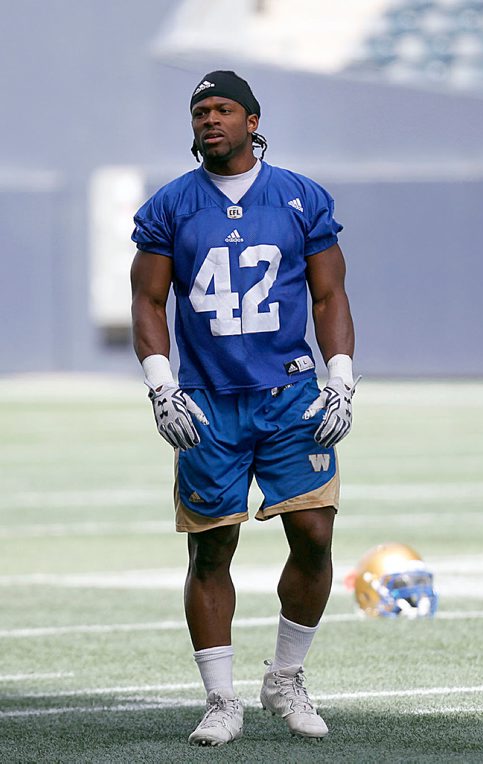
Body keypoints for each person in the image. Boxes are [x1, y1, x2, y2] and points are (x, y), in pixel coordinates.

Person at [130, 70, 358, 747]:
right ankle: (220, 698)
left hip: (289, 394)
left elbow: (329, 295)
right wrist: (160, 385)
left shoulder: (298, 196)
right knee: (211, 548)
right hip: (206, 400)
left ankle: (286, 677)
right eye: (200, 110)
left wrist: (340, 379)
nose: (209, 120)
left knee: (315, 531)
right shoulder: (171, 204)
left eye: (223, 108)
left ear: (253, 121)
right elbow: (147, 300)